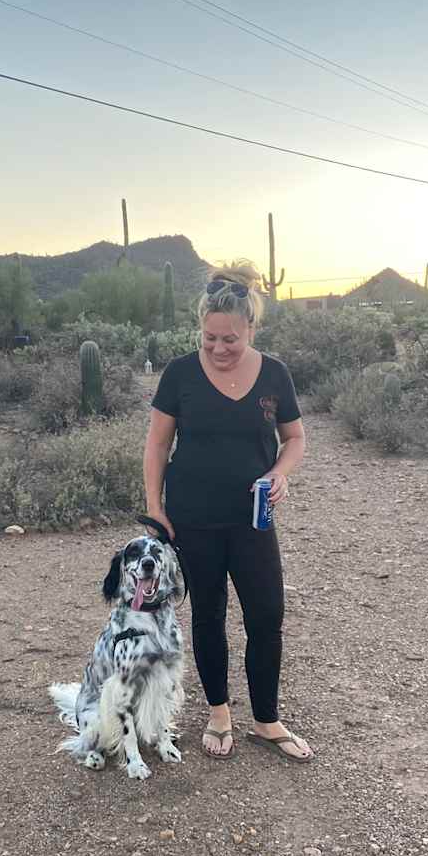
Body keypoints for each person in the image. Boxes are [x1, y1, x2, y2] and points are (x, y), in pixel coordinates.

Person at [143, 262, 313, 762]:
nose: (219, 348)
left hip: (253, 519)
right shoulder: (179, 373)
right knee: (209, 614)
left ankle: (266, 719)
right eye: (210, 338)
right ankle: (219, 712)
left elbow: (295, 438)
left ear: (251, 330)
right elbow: (157, 445)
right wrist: (156, 511)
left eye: (230, 340)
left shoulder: (275, 373)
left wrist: (280, 473)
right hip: (192, 516)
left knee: (266, 614)